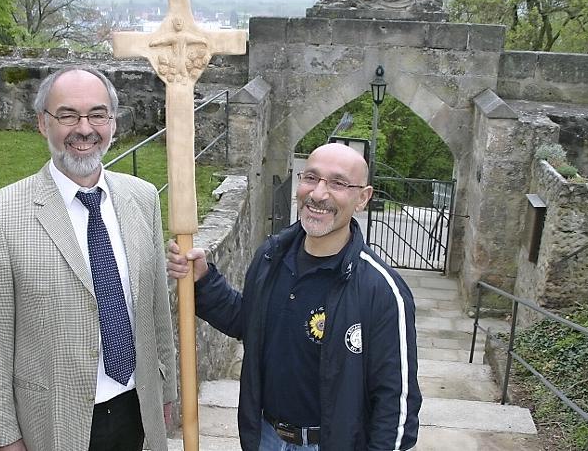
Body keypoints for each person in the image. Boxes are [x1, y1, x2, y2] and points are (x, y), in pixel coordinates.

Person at [0, 67, 177, 451]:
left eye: (97, 114)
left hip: (137, 407)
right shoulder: (0, 215)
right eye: (67, 115)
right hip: (54, 420)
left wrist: (166, 390)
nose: (84, 129)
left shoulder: (143, 197)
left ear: (112, 122)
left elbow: (155, 310)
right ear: (42, 123)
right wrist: (3, 436)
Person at [167, 143, 421, 450]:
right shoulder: (272, 257)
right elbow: (249, 322)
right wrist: (204, 280)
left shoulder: (380, 289)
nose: (318, 194)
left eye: (338, 183)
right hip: (266, 437)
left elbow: (396, 400)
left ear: (362, 198)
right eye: (311, 178)